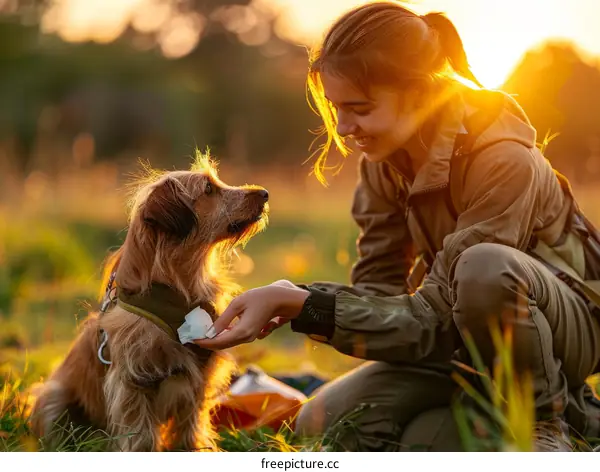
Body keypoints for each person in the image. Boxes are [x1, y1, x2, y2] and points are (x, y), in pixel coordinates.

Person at [195, 1, 600, 452]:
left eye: (360, 108)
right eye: (336, 108)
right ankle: (484, 419)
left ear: (423, 93)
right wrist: (295, 300)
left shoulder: (505, 159)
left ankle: (549, 424)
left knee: (484, 267)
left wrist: (303, 305)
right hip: (459, 334)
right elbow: (383, 300)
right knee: (325, 421)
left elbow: (437, 313)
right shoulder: (383, 162)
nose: (345, 127)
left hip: (565, 326)